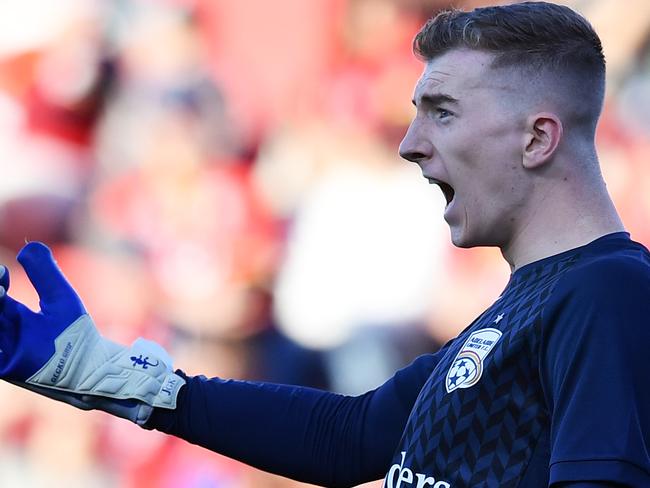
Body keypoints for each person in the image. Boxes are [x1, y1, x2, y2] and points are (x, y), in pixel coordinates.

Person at [1, 2, 649, 487]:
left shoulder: (605, 290)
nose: (410, 143)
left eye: (443, 112)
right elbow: (350, 435)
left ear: (537, 139)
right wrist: (109, 377)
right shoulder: (532, 300)